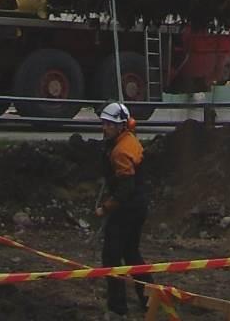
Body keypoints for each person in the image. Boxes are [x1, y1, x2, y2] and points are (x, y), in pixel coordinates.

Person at [95, 100, 150, 317]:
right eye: (104, 123)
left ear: (120, 126)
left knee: (111, 257)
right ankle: (149, 298)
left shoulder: (121, 151)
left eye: (109, 124)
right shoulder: (129, 141)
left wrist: (105, 208)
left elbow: (125, 189)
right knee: (132, 254)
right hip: (138, 207)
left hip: (127, 209)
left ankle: (118, 308)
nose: (105, 128)